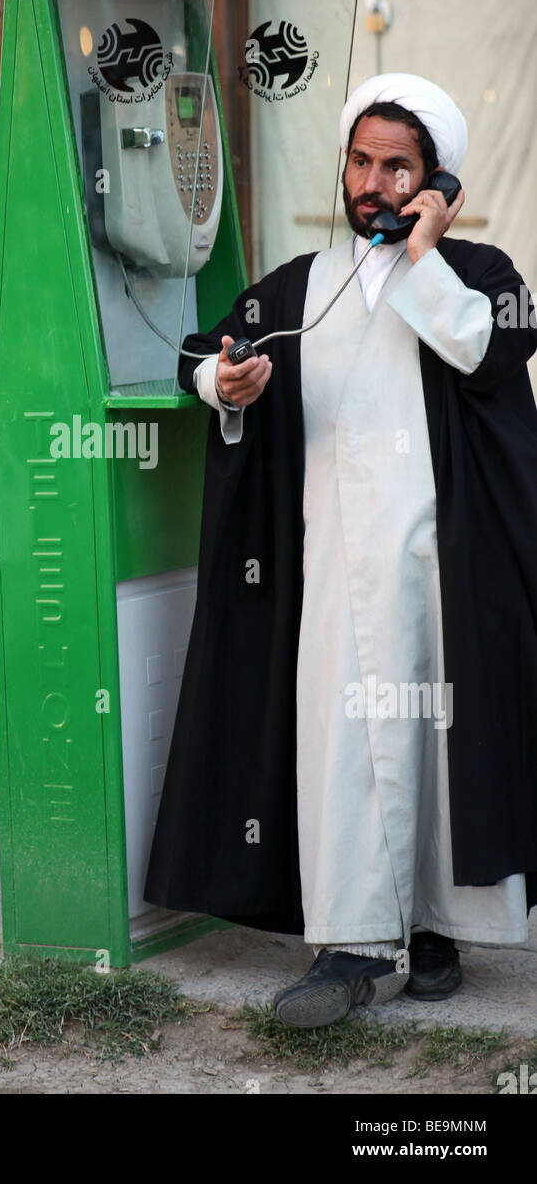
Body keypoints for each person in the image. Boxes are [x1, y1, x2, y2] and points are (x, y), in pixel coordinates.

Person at [144, 73, 537, 1028]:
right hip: (326, 576)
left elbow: (490, 352)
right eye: (361, 162)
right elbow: (202, 352)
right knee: (345, 760)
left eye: (397, 167)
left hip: (444, 571)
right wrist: (222, 386)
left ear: (433, 178)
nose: (373, 182)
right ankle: (356, 939)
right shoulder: (298, 287)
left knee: (444, 755)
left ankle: (438, 929)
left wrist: (425, 249)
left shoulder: (481, 273)